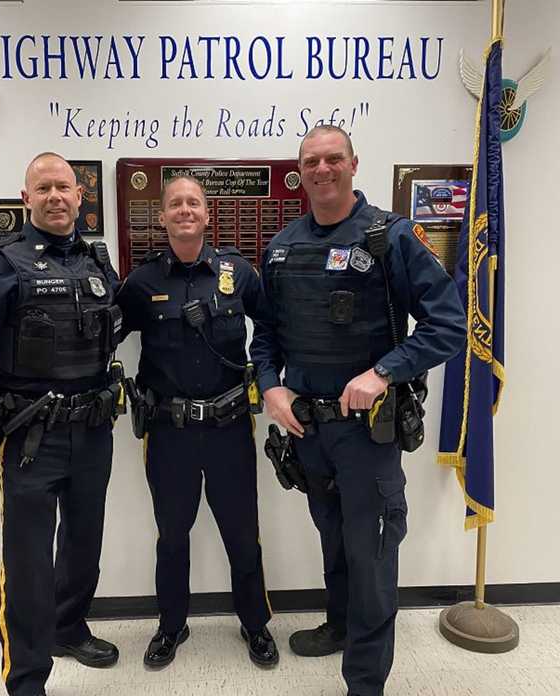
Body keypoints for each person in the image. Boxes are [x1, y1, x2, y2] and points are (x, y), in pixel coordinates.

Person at [251, 126, 466, 696]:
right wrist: (270, 387)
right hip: (307, 430)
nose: (323, 169)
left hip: (368, 436)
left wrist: (385, 371)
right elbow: (266, 334)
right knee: (334, 538)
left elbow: (450, 325)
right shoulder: (281, 247)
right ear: (300, 171)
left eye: (333, 158)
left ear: (352, 164)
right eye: (311, 161)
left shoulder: (388, 238)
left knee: (371, 554)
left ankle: (365, 682)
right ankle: (341, 625)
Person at [0, 152, 124, 696]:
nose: (55, 196)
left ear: (79, 196)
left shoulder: (98, 264)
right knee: (26, 563)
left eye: (63, 187)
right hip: (31, 437)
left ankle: (68, 627)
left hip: (93, 431)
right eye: (42, 188)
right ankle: (26, 679)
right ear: (26, 199)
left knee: (83, 544)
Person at [116, 175, 278, 669]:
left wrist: (271, 378)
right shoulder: (142, 282)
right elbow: (101, 337)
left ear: (208, 215)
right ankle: (171, 625)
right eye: (175, 204)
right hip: (169, 433)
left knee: (241, 532)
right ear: (161, 216)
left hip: (230, 427)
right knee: (172, 534)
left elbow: (271, 327)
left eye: (194, 203)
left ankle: (255, 624)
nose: (185, 210)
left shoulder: (239, 271)